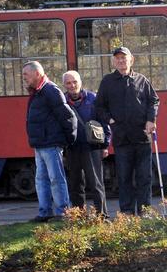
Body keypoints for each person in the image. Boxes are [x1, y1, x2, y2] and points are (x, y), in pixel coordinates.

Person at [95, 46, 160, 216]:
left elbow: (154, 101)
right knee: (124, 177)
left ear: (131, 60)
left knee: (144, 177)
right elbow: (99, 106)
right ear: (113, 62)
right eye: (118, 58)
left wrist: (151, 119)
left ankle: (145, 211)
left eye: (124, 58)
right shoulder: (107, 82)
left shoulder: (142, 80)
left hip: (142, 137)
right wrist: (109, 119)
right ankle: (127, 212)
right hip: (122, 138)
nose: (121, 61)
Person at [22, 61, 75, 222]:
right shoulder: (39, 92)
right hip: (40, 143)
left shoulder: (50, 90)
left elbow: (68, 116)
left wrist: (68, 139)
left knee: (55, 179)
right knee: (41, 180)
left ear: (37, 74)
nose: (24, 78)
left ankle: (63, 213)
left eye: (26, 74)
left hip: (51, 143)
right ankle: (45, 212)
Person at [62, 70, 109, 216]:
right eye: (68, 83)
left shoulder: (93, 99)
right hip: (72, 148)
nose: (72, 85)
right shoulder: (62, 101)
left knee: (96, 184)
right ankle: (79, 217)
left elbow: (104, 122)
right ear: (64, 85)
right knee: (75, 185)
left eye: (74, 82)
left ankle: (102, 215)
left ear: (80, 82)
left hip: (92, 147)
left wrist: (105, 144)